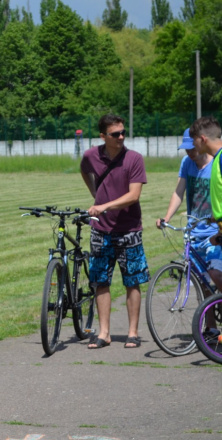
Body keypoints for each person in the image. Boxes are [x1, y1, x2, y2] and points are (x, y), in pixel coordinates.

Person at [80, 114, 148, 349]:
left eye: (123, 132)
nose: (121, 137)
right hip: (101, 230)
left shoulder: (134, 159)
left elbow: (134, 195)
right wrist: (95, 194)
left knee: (133, 280)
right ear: (102, 136)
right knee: (100, 281)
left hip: (129, 228)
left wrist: (103, 205)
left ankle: (132, 333)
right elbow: (84, 170)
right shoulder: (91, 155)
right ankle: (104, 333)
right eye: (115, 134)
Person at [156, 128, 222, 290]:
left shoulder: (216, 162)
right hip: (194, 232)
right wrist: (167, 217)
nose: (189, 152)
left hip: (214, 231)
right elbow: (179, 192)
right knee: (202, 285)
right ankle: (206, 314)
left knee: (215, 274)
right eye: (186, 148)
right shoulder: (186, 163)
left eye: (192, 147)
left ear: (200, 143)